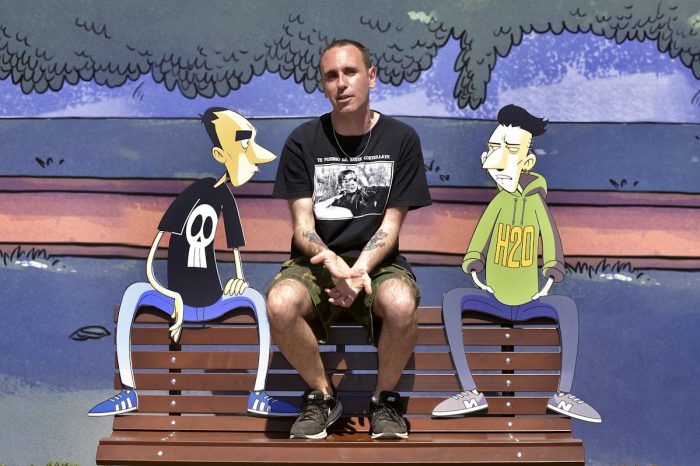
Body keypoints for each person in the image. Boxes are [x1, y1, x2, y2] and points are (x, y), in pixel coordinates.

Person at [267, 39, 432, 439]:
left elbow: (391, 225)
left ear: (371, 77)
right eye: (331, 76)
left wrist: (358, 271)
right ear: (323, 86)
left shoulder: (401, 139)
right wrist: (331, 260)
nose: (341, 83)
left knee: (400, 301)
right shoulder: (303, 141)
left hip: (378, 265)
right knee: (280, 301)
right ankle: (323, 396)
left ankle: (384, 402)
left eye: (350, 72)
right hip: (317, 264)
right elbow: (303, 225)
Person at [88, 108, 297, 418]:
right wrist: (169, 294)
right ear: (219, 154)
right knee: (134, 293)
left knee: (254, 298)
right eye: (243, 145)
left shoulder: (226, 198)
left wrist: (239, 279)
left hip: (213, 298)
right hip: (177, 300)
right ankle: (128, 393)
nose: (253, 160)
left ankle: (258, 395)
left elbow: (235, 249)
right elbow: (153, 256)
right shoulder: (195, 193)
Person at [432, 104, 601, 423]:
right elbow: (480, 237)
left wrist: (551, 273)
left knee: (566, 308)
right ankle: (470, 392)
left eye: (510, 150)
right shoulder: (499, 202)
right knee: (454, 300)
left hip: (529, 300)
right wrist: (474, 264)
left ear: (527, 162)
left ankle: (563, 395)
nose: (498, 158)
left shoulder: (536, 203)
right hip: (494, 298)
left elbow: (550, 238)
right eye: (494, 147)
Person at [314, 168, 390, 219]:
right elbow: (318, 207)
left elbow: (387, 190)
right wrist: (336, 197)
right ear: (340, 185)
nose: (352, 183)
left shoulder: (364, 191)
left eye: (354, 179)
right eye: (347, 181)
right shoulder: (340, 200)